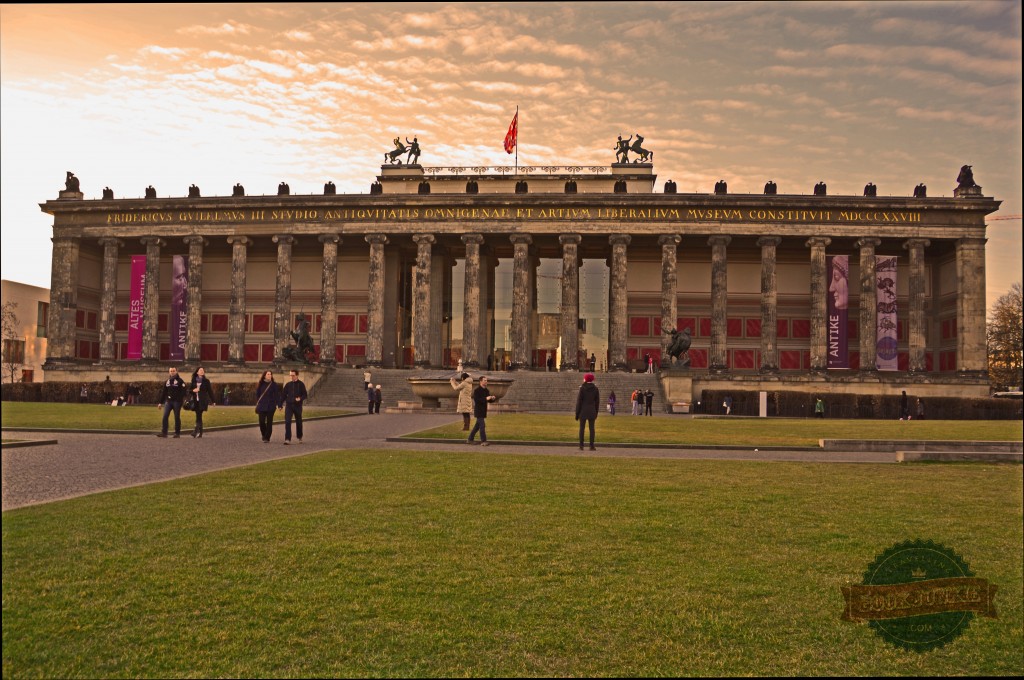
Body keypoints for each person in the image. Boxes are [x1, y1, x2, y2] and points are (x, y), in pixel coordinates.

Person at [156, 366, 187, 438]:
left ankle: (177, 433)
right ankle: (164, 433)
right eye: (171, 371)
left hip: (177, 402)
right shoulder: (167, 381)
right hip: (168, 402)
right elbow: (164, 392)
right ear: (169, 372)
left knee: (176, 417)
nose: (172, 372)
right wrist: (160, 403)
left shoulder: (180, 381)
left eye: (173, 371)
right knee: (165, 416)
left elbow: (184, 391)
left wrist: (180, 399)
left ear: (176, 371)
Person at [281, 369, 308, 445]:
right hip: (289, 405)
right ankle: (287, 439)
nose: (291, 377)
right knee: (287, 421)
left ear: (297, 375)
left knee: (299, 422)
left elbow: (305, 395)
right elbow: (283, 395)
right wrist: (280, 404)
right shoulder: (288, 385)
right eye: (290, 375)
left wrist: (300, 398)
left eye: (293, 375)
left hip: (298, 406)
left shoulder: (301, 384)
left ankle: (299, 436)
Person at [255, 370, 282, 442]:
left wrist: (279, 405)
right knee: (261, 421)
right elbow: (257, 394)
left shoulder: (274, 385)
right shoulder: (261, 384)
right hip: (262, 406)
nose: (270, 375)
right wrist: (259, 401)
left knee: (269, 422)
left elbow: (277, 396)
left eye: (270, 374)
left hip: (271, 406)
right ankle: (264, 434)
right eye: (268, 374)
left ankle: (267, 437)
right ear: (264, 375)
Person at [468, 376, 496, 446]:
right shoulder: (477, 391)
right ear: (481, 381)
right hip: (478, 411)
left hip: (483, 411)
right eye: (485, 380)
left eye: (486, 380)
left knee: (477, 427)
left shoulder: (486, 390)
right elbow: (477, 400)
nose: (486, 381)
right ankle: (483, 441)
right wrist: (486, 398)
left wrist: (492, 398)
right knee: (482, 426)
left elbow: (489, 400)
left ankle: (470, 439)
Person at [575, 373, 600, 451]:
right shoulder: (596, 389)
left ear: (585, 379)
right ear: (592, 379)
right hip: (592, 410)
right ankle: (592, 446)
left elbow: (579, 401)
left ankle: (581, 445)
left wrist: (577, 413)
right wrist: (596, 412)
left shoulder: (582, 388)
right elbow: (597, 402)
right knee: (592, 429)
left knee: (581, 428)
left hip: (583, 410)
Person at [188, 366, 215, 438]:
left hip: (203, 401)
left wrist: (213, 401)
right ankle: (200, 433)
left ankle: (195, 431)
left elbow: (210, 391)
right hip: (195, 400)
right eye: (200, 370)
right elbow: (189, 390)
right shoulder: (194, 380)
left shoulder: (206, 381)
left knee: (199, 415)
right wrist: (193, 390)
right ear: (197, 372)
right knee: (199, 416)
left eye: (203, 370)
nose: (202, 371)